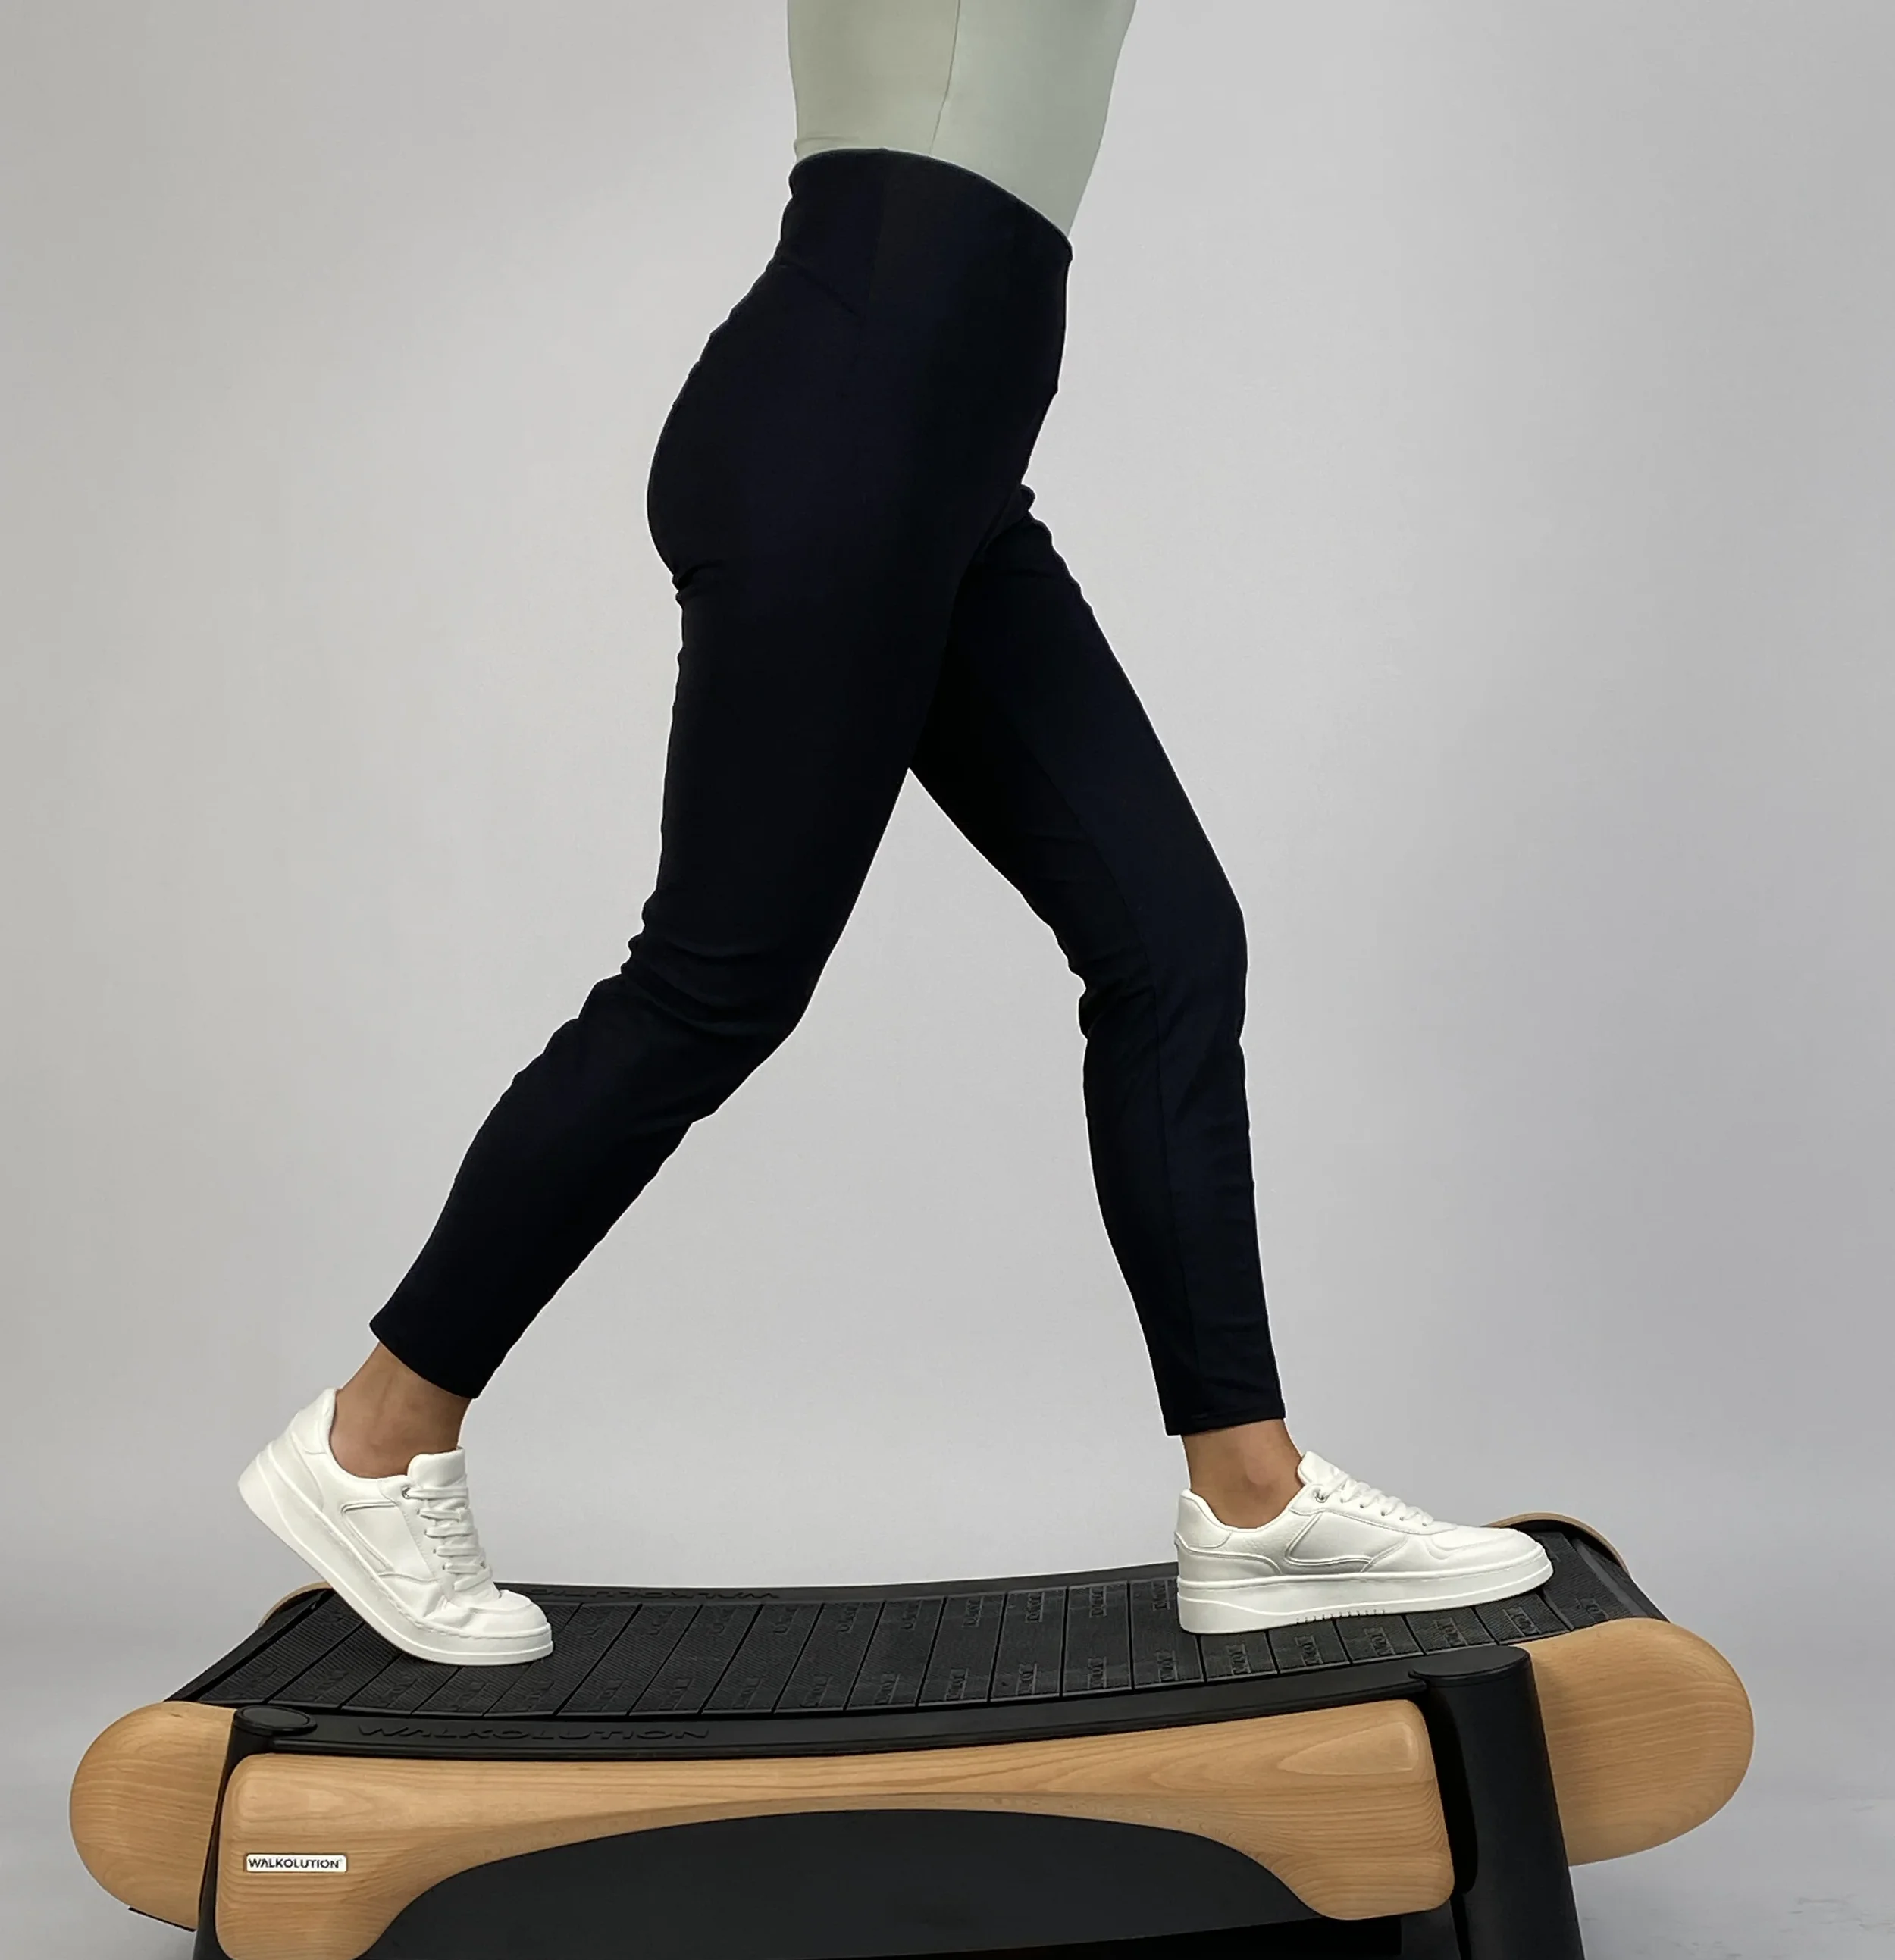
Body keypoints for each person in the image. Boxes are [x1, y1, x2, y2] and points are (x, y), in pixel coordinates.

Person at [240, 0, 1551, 1666]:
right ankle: (374, 1438)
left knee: (1168, 944)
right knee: (710, 989)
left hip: (930, 469)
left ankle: (1248, 1497)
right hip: (844, 436)